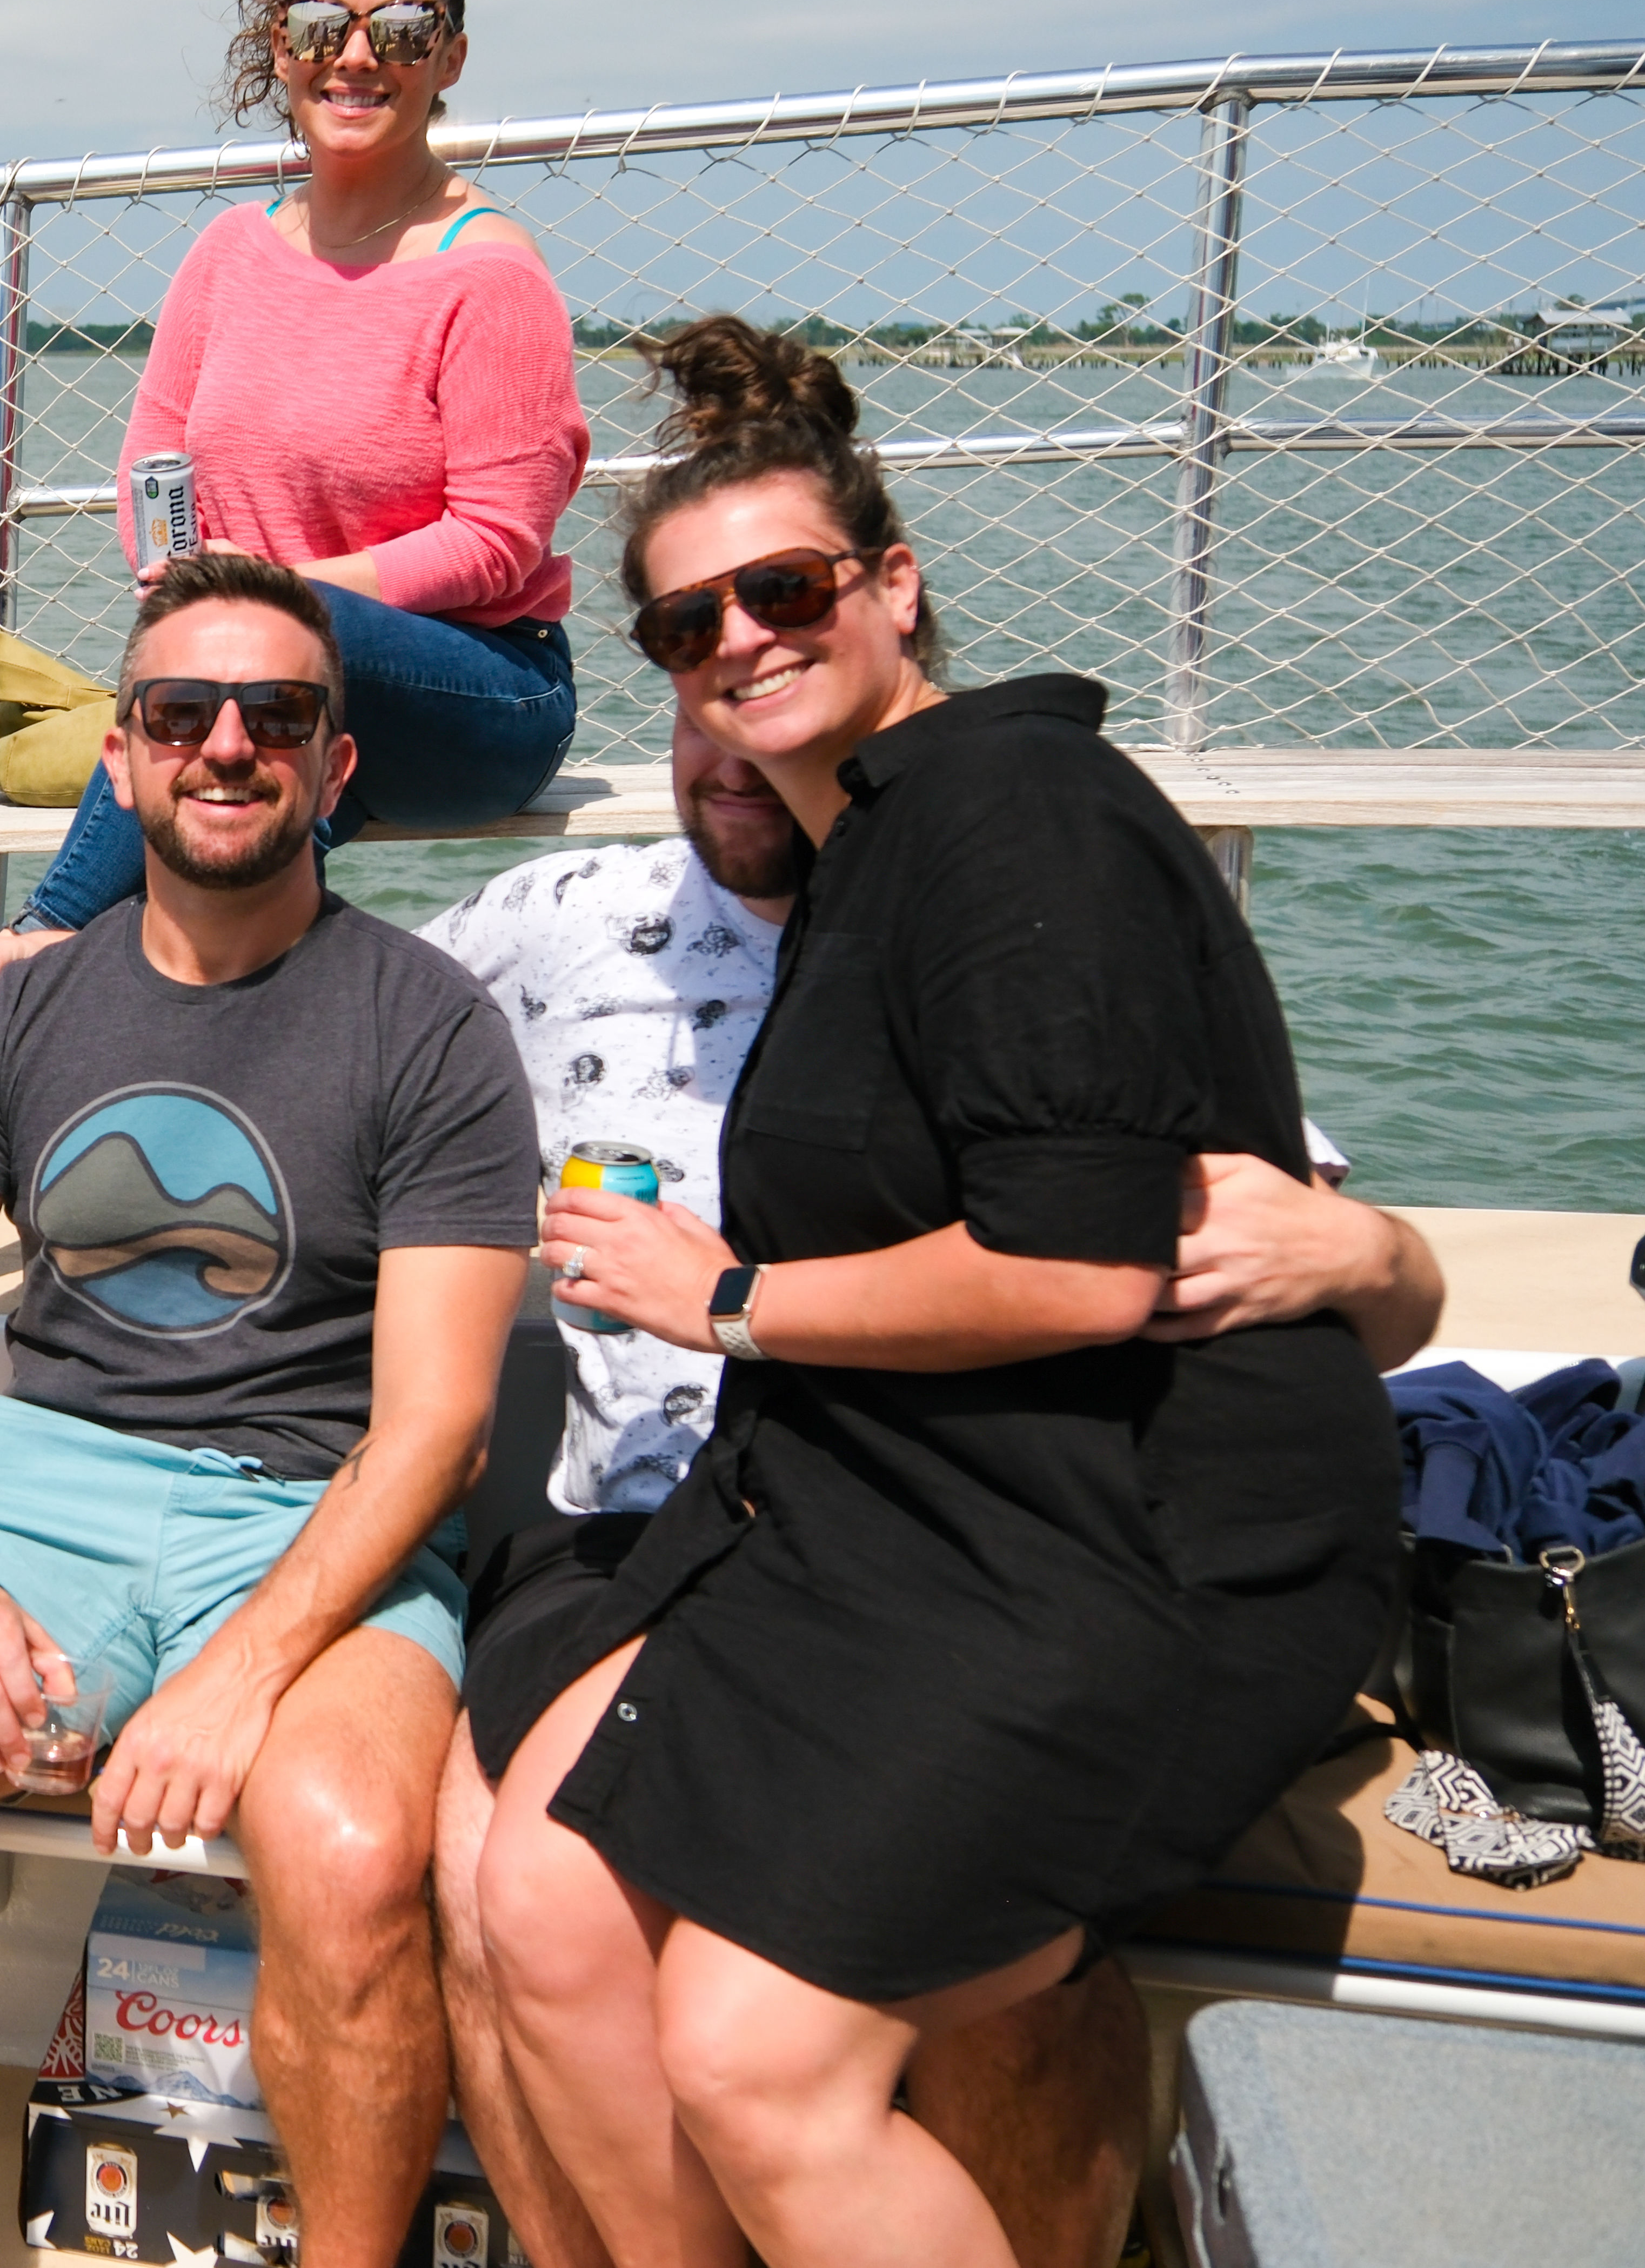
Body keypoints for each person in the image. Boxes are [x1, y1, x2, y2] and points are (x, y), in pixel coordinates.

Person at [470, 320, 1407, 2268]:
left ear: (893, 587)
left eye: (786, 589)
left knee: (754, 2045)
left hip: (1121, 1550)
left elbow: (1073, 1261)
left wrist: (719, 1294)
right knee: (543, 1896)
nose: (737, 639)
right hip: (885, 1507)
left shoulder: (1008, 813)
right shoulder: (868, 858)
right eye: (682, 624)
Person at [0, 550, 540, 2268]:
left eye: (278, 715)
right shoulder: (26, 1005)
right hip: (42, 1485)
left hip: (312, 1505)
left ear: (337, 765)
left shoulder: (430, 1025)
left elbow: (434, 1428)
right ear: (121, 758)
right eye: (181, 712)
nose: (227, 746)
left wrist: (236, 1674)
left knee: (340, 1855)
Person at [0, 0, 588, 1106]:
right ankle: (112, 1055)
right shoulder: (230, 253)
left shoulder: (485, 273)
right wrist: (185, 579)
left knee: (250, 652)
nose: (357, 57)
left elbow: (496, 546)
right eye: (320, 26)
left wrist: (275, 597)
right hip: (276, 678)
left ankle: (24, 958)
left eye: (400, 28)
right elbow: (155, 464)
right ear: (279, 47)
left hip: (479, 688)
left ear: (447, 55)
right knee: (207, 679)